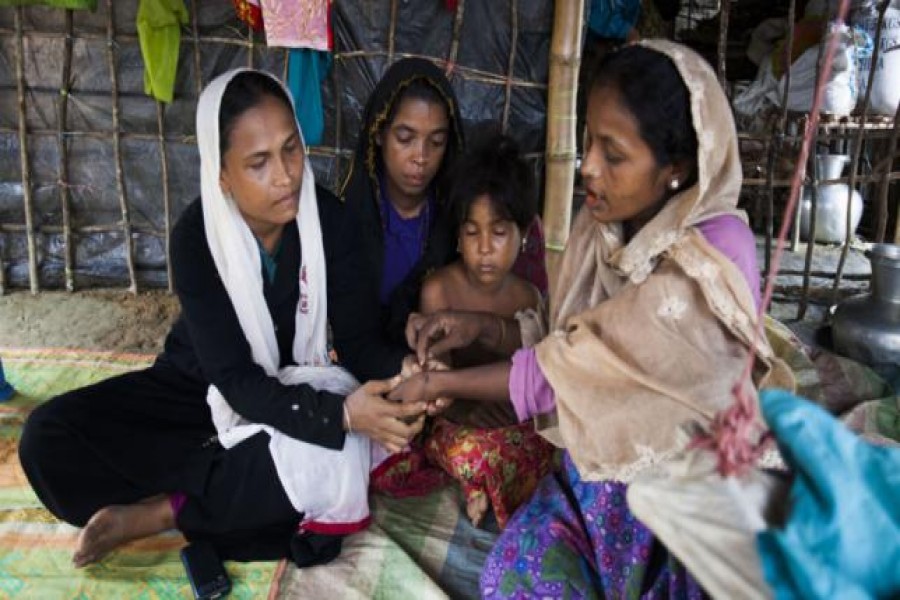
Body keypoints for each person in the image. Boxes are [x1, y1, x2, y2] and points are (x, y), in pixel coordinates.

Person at [392, 40, 792, 597]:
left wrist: (434, 382)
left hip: (692, 488)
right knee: (515, 577)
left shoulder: (710, 260)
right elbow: (569, 341)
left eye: (614, 154)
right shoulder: (602, 227)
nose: (589, 168)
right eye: (587, 143)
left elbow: (568, 371)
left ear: (674, 167)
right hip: (597, 475)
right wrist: (479, 328)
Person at [18, 69, 425, 570]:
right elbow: (233, 380)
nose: (286, 175)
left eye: (291, 149)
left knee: (339, 451)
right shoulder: (197, 239)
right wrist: (339, 416)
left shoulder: (330, 222)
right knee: (47, 440)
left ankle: (161, 512)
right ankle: (229, 486)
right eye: (259, 162)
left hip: (297, 386)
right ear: (222, 175)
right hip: (199, 389)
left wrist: (405, 370)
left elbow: (360, 344)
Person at [413, 133, 555, 528]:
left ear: (524, 233)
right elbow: (435, 384)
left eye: (499, 232)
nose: (485, 248)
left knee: (549, 444)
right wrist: (470, 409)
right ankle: (483, 486)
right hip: (459, 424)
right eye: (472, 232)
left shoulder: (528, 298)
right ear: (458, 236)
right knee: (468, 451)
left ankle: (483, 489)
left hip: (509, 422)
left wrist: (510, 410)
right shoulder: (439, 290)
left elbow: (535, 380)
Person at [335, 57, 465, 382]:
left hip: (432, 375)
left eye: (436, 142)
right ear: (379, 134)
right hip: (351, 375)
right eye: (405, 138)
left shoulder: (457, 224)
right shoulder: (345, 218)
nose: (421, 156)